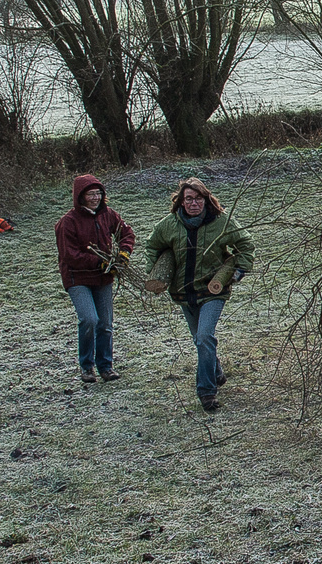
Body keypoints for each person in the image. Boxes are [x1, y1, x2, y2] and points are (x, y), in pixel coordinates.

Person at [145, 179, 255, 412]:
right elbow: (152, 246)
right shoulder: (169, 225)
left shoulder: (222, 222)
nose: (194, 203)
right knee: (199, 339)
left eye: (198, 199)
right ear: (181, 202)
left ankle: (206, 392)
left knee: (204, 336)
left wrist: (240, 269)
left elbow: (245, 243)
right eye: (189, 199)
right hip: (184, 293)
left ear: (206, 200)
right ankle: (216, 371)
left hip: (213, 290)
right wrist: (156, 273)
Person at [55, 175, 136, 383]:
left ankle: (105, 366)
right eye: (91, 194)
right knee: (89, 319)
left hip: (103, 277)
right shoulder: (67, 223)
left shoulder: (108, 214)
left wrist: (123, 254)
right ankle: (87, 366)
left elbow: (126, 233)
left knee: (106, 323)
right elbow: (69, 255)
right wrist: (97, 262)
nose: (95, 198)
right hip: (77, 278)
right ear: (80, 196)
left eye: (98, 193)